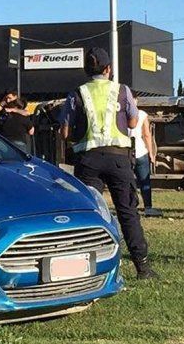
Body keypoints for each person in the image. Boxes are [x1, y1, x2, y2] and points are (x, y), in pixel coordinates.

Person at [59, 47, 158, 279]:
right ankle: (142, 266)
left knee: (89, 214)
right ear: (108, 69)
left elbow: (64, 132)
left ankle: (84, 268)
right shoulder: (122, 91)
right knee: (127, 212)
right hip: (119, 159)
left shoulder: (77, 94)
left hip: (88, 159)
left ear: (87, 70)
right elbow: (133, 121)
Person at [128, 100, 163, 216]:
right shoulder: (142, 114)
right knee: (144, 181)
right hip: (140, 151)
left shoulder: (121, 114)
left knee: (128, 181)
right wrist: (151, 153)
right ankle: (148, 207)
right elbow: (147, 135)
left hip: (125, 152)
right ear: (136, 100)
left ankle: (131, 207)